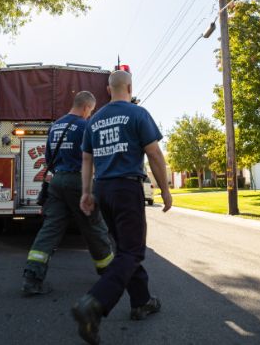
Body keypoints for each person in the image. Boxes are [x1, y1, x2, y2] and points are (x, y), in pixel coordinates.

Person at [71, 70, 172, 344]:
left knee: (125, 250)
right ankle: (94, 303)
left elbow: (86, 160)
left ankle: (141, 303)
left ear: (107, 89)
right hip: (127, 188)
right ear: (129, 87)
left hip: (103, 190)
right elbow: (153, 154)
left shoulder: (94, 121)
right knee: (133, 250)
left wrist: (86, 193)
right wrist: (164, 189)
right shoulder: (137, 114)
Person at [22, 91, 114, 296]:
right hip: (78, 181)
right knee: (94, 227)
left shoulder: (55, 126)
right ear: (85, 107)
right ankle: (109, 272)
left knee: (50, 229)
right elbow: (93, 156)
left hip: (57, 181)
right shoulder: (84, 126)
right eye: (90, 110)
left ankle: (32, 277)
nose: (90, 114)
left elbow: (48, 157)